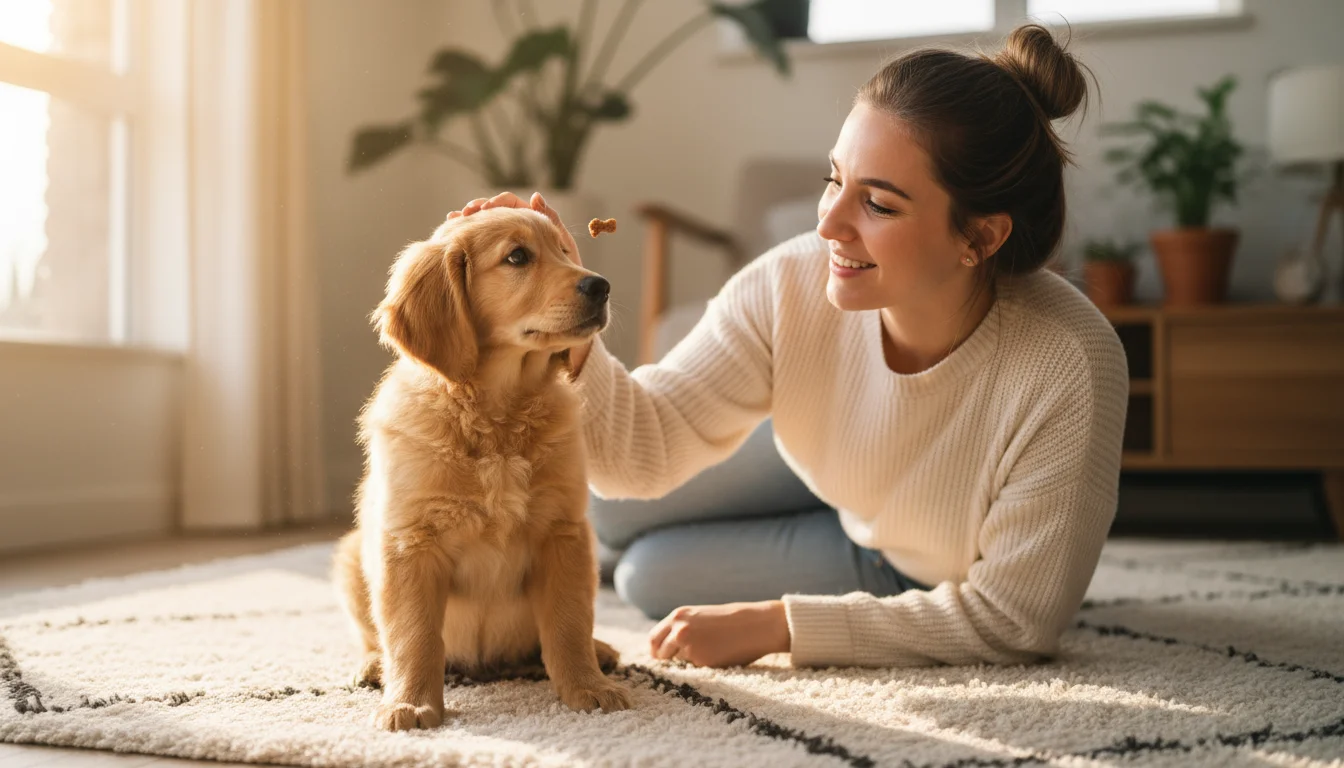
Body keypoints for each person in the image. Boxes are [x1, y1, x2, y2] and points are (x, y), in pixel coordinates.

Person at [449, 23, 1129, 670]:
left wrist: (780, 624)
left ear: (979, 238)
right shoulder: (791, 282)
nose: (828, 223)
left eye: (880, 204)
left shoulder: (1068, 363)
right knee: (603, 503)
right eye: (836, 179)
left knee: (647, 577)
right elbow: (642, 449)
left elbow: (1014, 619)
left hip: (909, 561)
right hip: (825, 465)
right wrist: (562, 304)